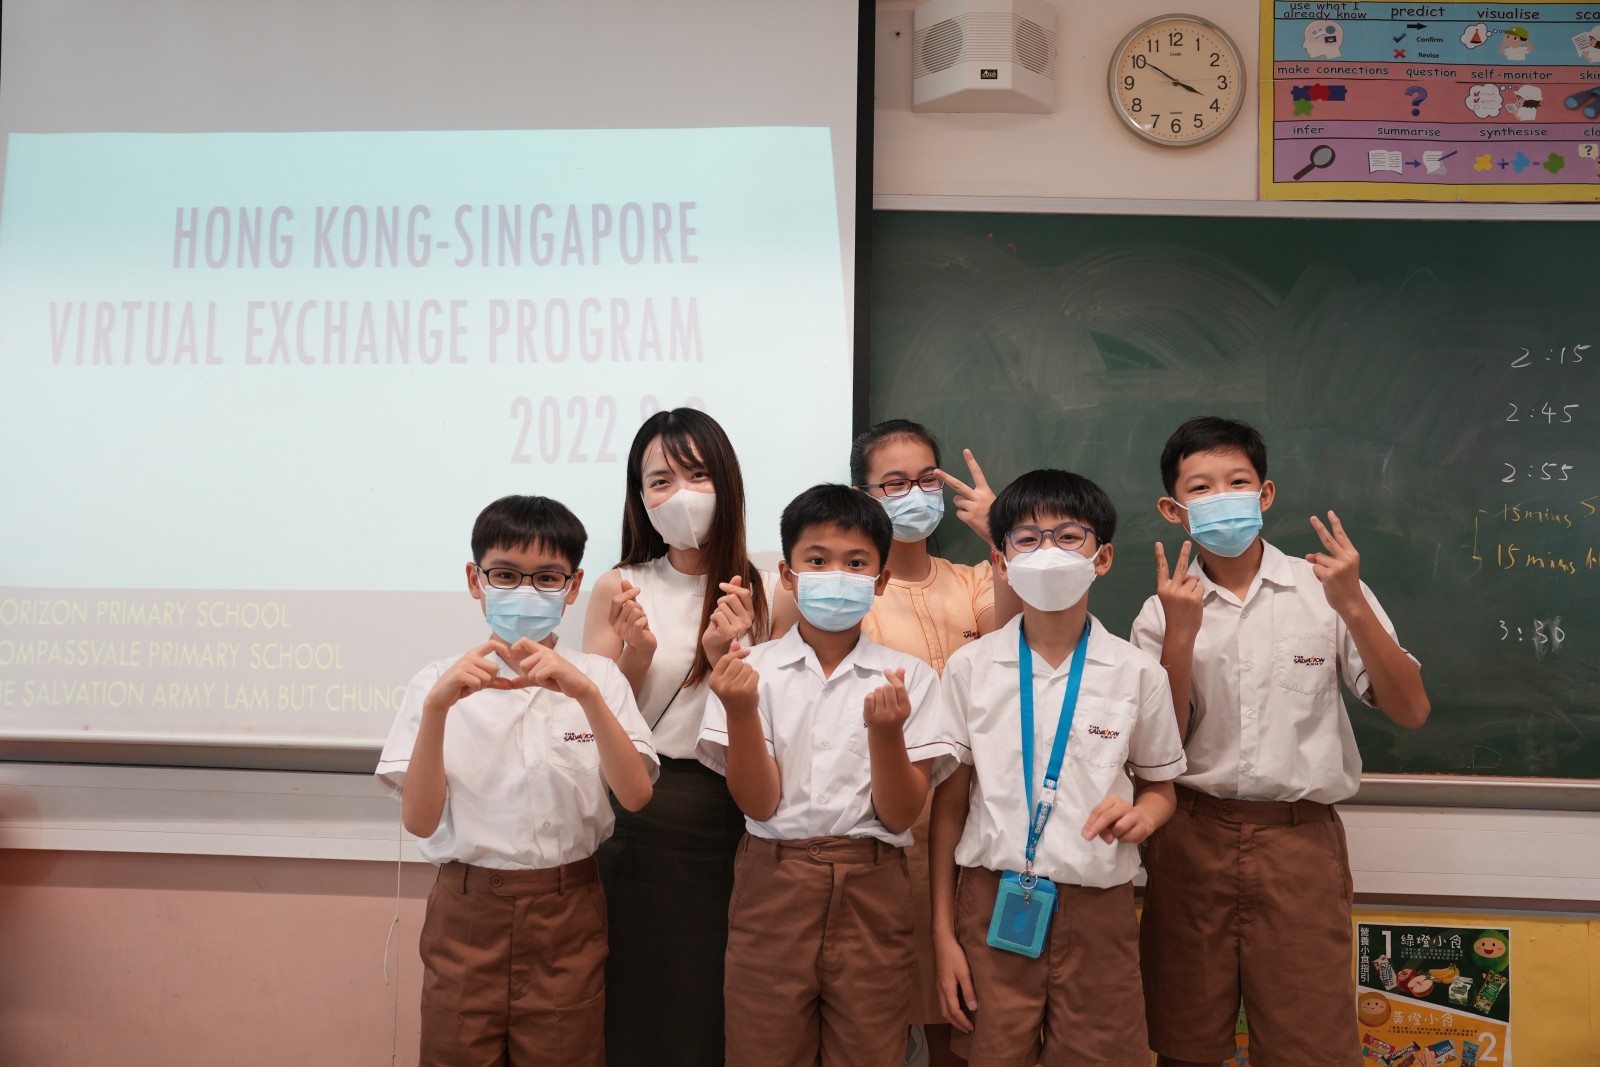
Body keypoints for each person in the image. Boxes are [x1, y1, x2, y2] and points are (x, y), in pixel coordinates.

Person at [1132, 416, 1430, 1067]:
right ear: (1173, 509)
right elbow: (1158, 748)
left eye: (1237, 482)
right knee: (1185, 1043)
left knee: (1310, 1046)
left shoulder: (1327, 588)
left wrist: (1353, 605)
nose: (1222, 497)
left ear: (1265, 494)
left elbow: (1411, 710)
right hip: (1191, 838)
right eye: (1200, 487)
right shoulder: (1162, 609)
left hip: (1299, 844)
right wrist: (1180, 637)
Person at [376, 494, 658, 1067]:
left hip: (568, 908)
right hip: (467, 910)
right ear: (475, 580)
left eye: (547, 578)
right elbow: (420, 822)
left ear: (573, 587)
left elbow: (635, 796)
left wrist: (585, 694)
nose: (525, 591)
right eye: (505, 575)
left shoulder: (600, 677)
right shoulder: (436, 682)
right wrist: (437, 710)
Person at [930, 469, 1185, 1067]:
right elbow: (950, 805)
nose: (1048, 552)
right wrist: (943, 935)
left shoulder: (1137, 673)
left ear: (1103, 557)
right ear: (1002, 560)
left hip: (1098, 908)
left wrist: (1144, 817)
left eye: (1069, 537)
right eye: (1027, 538)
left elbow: (1161, 789)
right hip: (992, 902)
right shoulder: (970, 668)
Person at [698, 483, 957, 1067]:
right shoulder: (750, 671)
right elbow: (758, 804)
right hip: (773, 883)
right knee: (763, 1048)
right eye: (817, 560)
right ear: (788, 576)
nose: (836, 575)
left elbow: (899, 814)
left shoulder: (909, 678)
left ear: (880, 581)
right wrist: (740, 710)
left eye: (856, 563)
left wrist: (886, 734)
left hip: (872, 885)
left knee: (870, 1048)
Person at [582, 407, 795, 1066]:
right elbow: (591, 720)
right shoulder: (620, 586)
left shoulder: (768, 589)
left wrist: (730, 651)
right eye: (660, 481)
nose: (680, 495)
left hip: (733, 812)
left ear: (726, 482)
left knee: (712, 1000)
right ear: (640, 498)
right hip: (639, 810)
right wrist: (636, 655)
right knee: (635, 997)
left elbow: (782, 712)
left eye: (698, 475)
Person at [850, 419, 1019, 1064]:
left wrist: (1000, 537)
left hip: (977, 815)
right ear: (864, 496)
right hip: (887, 819)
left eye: (927, 480)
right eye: (894, 484)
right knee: (882, 1004)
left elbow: (1011, 643)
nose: (914, 494)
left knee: (963, 1007)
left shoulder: (972, 580)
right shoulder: (852, 594)